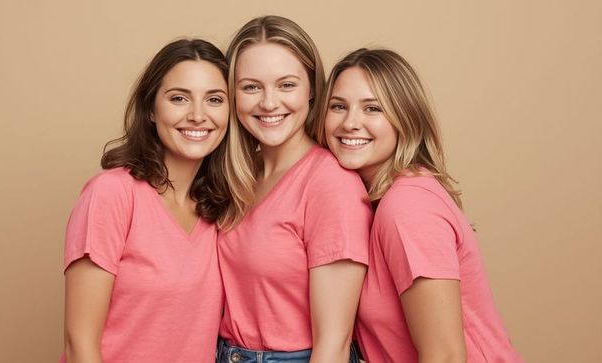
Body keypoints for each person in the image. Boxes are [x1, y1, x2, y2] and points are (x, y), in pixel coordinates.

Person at [316, 48, 523, 363]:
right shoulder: (378, 199)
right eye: (338, 106)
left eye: (373, 108)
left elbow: (446, 355)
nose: (351, 122)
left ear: (405, 118)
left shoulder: (408, 206)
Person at [61, 39, 230, 363]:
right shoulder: (111, 194)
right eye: (179, 98)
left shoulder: (220, 208)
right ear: (151, 108)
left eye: (214, 99)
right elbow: (79, 343)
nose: (198, 115)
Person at [216, 16, 372, 363]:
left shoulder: (330, 184)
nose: (269, 103)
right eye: (251, 87)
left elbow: (334, 342)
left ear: (312, 89)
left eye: (286, 85)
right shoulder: (238, 173)